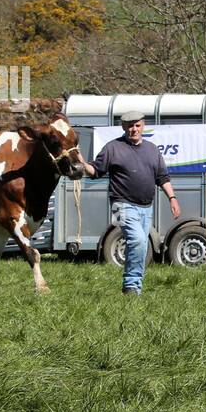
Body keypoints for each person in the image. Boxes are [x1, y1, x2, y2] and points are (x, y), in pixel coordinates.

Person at [83, 110, 179, 295]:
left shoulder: (152, 149)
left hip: (146, 207)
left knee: (141, 246)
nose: (133, 129)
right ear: (123, 127)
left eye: (137, 125)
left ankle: (135, 286)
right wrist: (81, 163)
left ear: (143, 126)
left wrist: (172, 199)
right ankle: (131, 286)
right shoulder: (113, 148)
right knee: (138, 240)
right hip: (123, 204)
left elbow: (162, 177)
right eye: (129, 126)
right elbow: (95, 171)